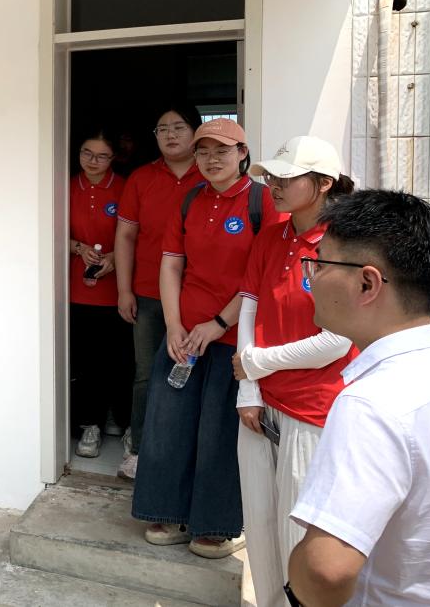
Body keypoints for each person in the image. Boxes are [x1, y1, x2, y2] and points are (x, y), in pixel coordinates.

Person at [131, 118, 284, 559]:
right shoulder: (190, 199)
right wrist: (174, 325)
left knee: (220, 432)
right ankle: (167, 510)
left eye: (222, 150)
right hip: (184, 336)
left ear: (242, 153)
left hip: (235, 338)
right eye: (203, 151)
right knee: (169, 424)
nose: (212, 159)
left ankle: (216, 524)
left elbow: (263, 275)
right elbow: (171, 265)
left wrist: (218, 323)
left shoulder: (261, 201)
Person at [286, 190, 430, 606]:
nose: (311, 279)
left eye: (320, 264)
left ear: (367, 283)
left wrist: (298, 573)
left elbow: (325, 570)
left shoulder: (371, 403)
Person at [232, 136, 357, 606]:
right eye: (271, 177)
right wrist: (249, 390)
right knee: (260, 525)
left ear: (323, 183)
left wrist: (255, 363)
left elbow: (336, 340)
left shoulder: (343, 243)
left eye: (287, 177)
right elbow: (249, 306)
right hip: (258, 406)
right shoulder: (272, 235)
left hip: (311, 409)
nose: (274, 186)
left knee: (298, 532)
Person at [114, 103, 205, 478]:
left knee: (192, 372)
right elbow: (126, 236)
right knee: (146, 373)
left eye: (178, 127)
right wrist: (124, 290)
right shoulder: (141, 178)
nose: (170, 134)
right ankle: (139, 448)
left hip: (199, 296)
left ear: (195, 132)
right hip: (149, 292)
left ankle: (186, 450)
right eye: (162, 128)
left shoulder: (211, 174)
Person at [68, 130, 133, 457]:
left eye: (102, 155)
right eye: (87, 153)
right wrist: (77, 247)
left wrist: (114, 258)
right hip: (76, 290)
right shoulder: (66, 186)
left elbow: (136, 234)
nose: (93, 161)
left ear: (113, 158)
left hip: (119, 290)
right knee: (85, 361)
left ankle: (119, 419)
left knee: (120, 361)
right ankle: (89, 424)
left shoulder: (124, 187)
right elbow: (49, 230)